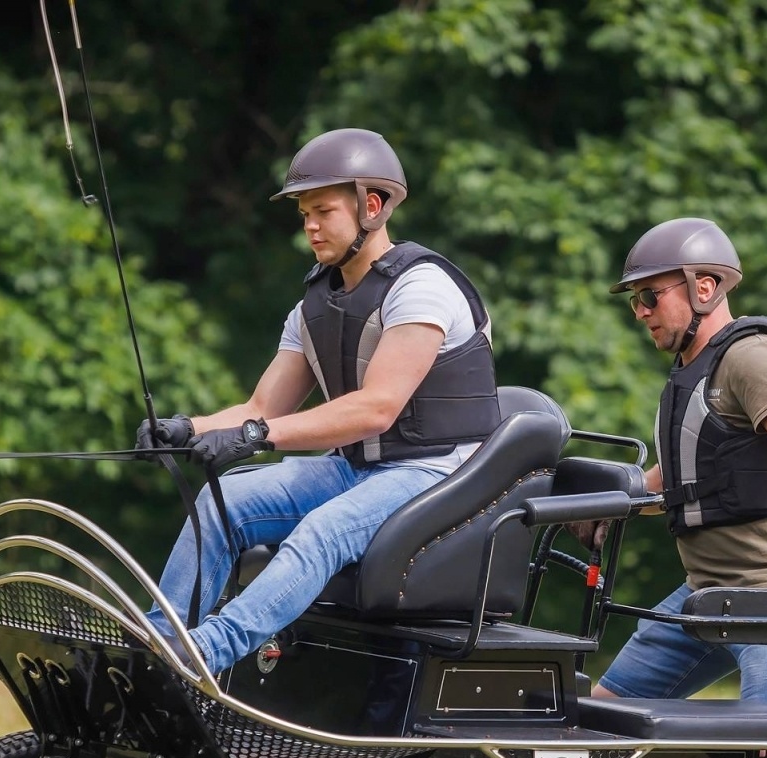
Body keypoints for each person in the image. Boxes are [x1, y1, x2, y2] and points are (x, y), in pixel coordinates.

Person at [138, 128, 499, 673]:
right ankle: (154, 645)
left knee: (321, 532)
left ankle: (203, 654)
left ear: (371, 207)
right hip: (357, 468)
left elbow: (376, 409)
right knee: (218, 502)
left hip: (438, 472)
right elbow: (263, 405)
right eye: (304, 213)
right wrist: (188, 428)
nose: (309, 226)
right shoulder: (314, 304)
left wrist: (258, 437)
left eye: (323, 210)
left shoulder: (421, 289)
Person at [591, 217, 767, 705]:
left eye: (650, 296)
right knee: (604, 717)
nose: (641, 312)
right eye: (635, 300)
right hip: (705, 591)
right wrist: (608, 504)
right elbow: (677, 480)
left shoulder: (752, 358)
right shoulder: (693, 372)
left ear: (703, 287)